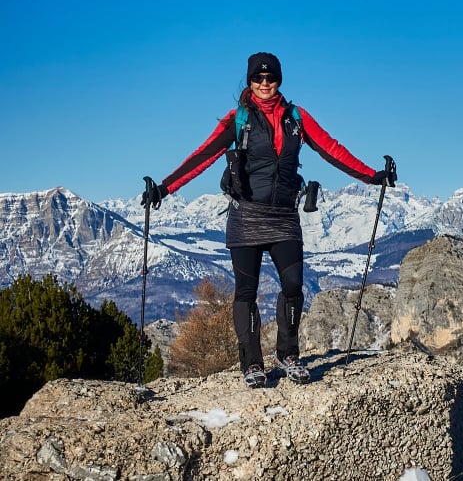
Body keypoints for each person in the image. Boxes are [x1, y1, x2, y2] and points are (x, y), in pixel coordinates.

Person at [141, 52, 395, 388]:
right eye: (258, 78)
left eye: (270, 78)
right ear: (249, 81)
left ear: (279, 80)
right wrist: (164, 188)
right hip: (245, 215)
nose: (264, 84)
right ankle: (252, 363)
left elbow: (331, 148)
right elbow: (202, 156)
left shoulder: (296, 117)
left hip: (284, 216)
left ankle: (287, 354)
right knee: (246, 292)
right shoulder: (237, 119)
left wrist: (370, 176)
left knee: (292, 286)